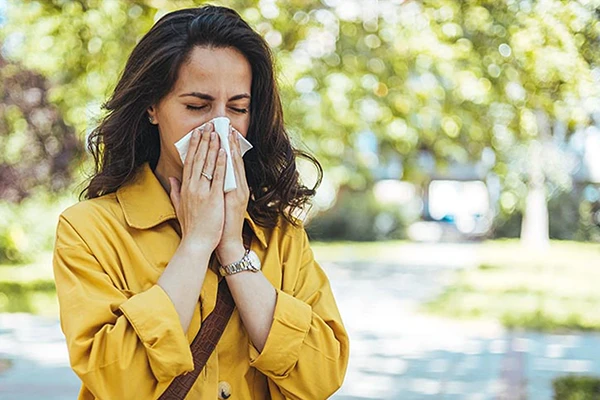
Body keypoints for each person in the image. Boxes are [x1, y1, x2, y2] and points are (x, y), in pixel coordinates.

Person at [52, 5, 349, 400]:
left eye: (238, 109)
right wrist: (195, 244)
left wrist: (231, 247)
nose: (220, 126)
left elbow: (323, 374)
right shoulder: (89, 231)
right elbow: (116, 380)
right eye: (197, 106)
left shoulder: (279, 233)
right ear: (152, 107)